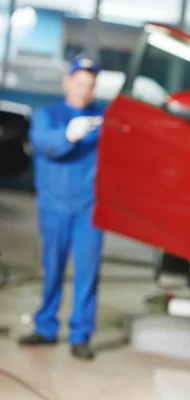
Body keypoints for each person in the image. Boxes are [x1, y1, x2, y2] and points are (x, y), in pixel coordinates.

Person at [19, 57, 105, 361]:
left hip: (89, 211)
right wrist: (69, 134)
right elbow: (44, 144)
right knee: (52, 268)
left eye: (90, 85)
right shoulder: (48, 116)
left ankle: (80, 335)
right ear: (66, 82)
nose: (84, 90)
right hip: (54, 207)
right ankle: (45, 327)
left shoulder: (101, 119)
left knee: (86, 273)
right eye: (80, 83)